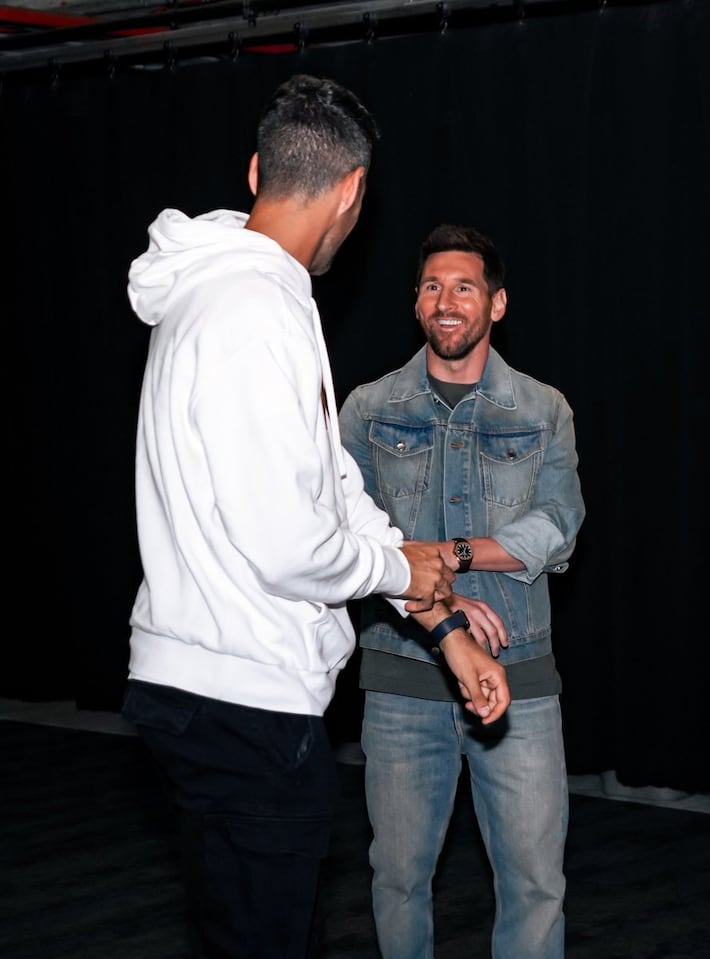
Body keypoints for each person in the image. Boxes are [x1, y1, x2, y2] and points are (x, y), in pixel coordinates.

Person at [121, 77, 509, 959]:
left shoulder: (228, 293)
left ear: (258, 168)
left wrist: (443, 625)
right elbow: (288, 542)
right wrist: (398, 571)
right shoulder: (256, 310)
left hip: (209, 692)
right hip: (243, 701)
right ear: (352, 193)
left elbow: (330, 488)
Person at [339, 223, 586, 959]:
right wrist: (439, 596)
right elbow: (353, 535)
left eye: (464, 286)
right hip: (400, 677)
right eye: (431, 286)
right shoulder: (367, 408)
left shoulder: (543, 409)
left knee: (535, 884)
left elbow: (558, 527)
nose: (446, 301)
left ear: (496, 303)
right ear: (416, 303)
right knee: (398, 878)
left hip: (521, 676)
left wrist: (444, 556)